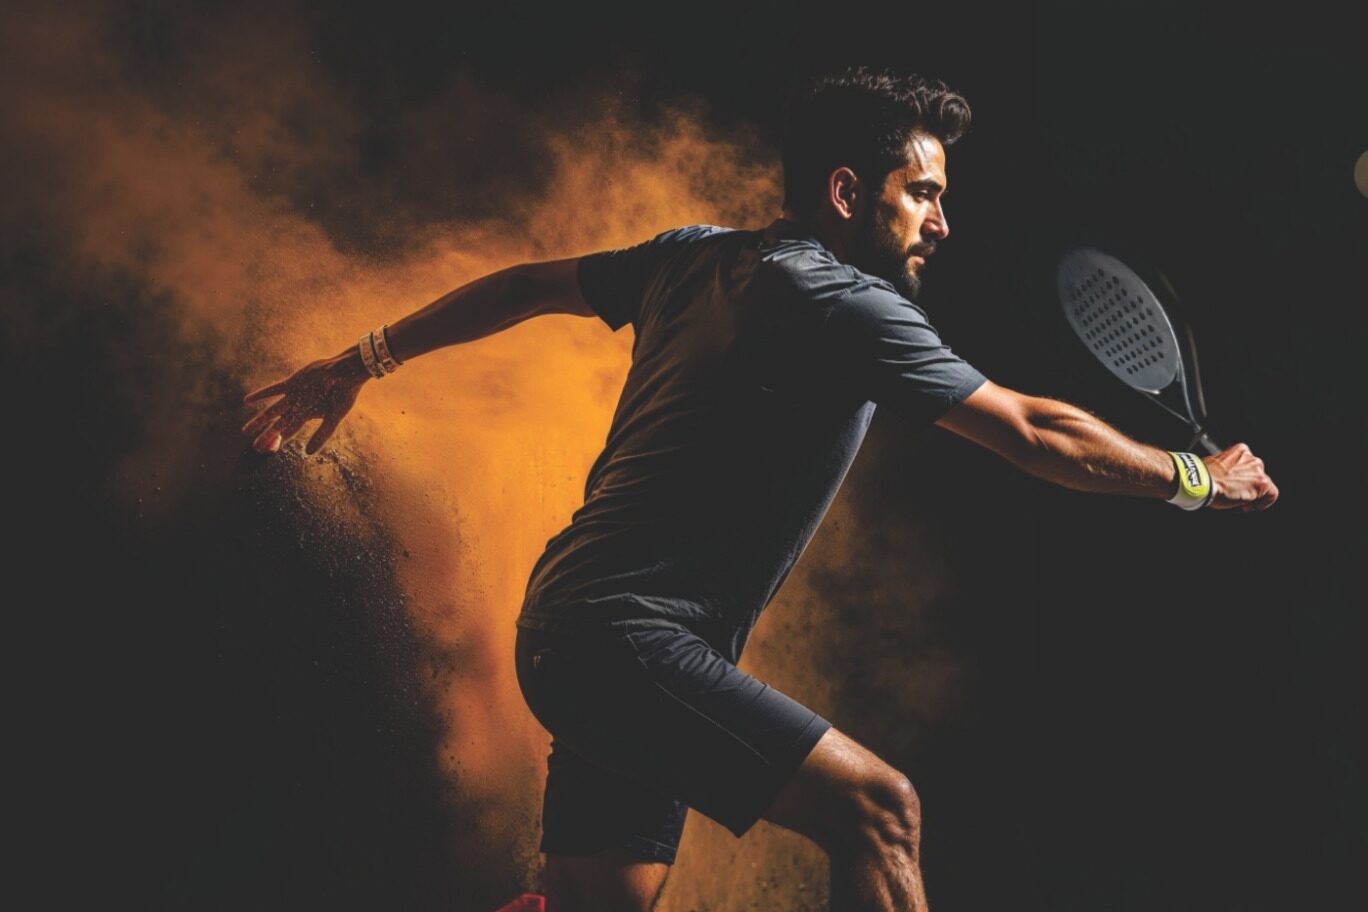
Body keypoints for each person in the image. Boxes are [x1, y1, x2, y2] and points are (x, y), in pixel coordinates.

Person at [239, 67, 1278, 912]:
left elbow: (527, 287)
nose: (942, 225)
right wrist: (1197, 479)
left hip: (579, 635)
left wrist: (364, 359)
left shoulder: (692, 258)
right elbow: (1035, 430)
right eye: (924, 193)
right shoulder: (850, 306)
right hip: (623, 642)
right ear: (845, 193)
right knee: (880, 811)